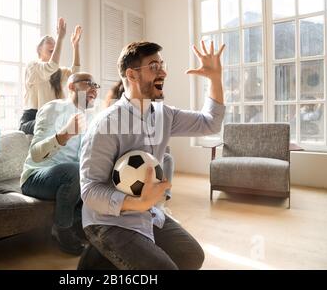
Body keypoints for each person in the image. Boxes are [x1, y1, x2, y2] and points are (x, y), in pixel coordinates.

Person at [78, 40, 226, 270]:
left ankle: (100, 260)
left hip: (146, 212)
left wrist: (215, 79)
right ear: (132, 75)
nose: (163, 72)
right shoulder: (105, 125)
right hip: (106, 221)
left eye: (162, 65)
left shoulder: (164, 114)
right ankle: (100, 252)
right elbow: (90, 191)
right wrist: (138, 203)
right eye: (154, 66)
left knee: (192, 256)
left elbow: (210, 123)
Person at [20, 72, 100, 256]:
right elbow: (36, 153)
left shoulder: (91, 118)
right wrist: (63, 135)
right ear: (71, 86)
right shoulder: (53, 109)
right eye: (89, 83)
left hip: (71, 180)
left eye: (96, 85)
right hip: (36, 177)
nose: (94, 89)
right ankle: (62, 228)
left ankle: (85, 224)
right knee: (76, 171)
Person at [104, 80, 174, 197]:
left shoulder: (149, 114)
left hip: (141, 158)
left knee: (167, 158)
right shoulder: (114, 118)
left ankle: (163, 196)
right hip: (121, 162)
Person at [19, 17, 82, 134]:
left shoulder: (58, 71)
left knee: (74, 122)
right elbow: (50, 66)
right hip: (32, 118)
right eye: (49, 41)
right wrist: (60, 38)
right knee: (56, 123)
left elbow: (75, 75)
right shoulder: (33, 66)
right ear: (39, 49)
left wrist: (76, 46)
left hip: (51, 117)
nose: (53, 43)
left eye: (54, 42)